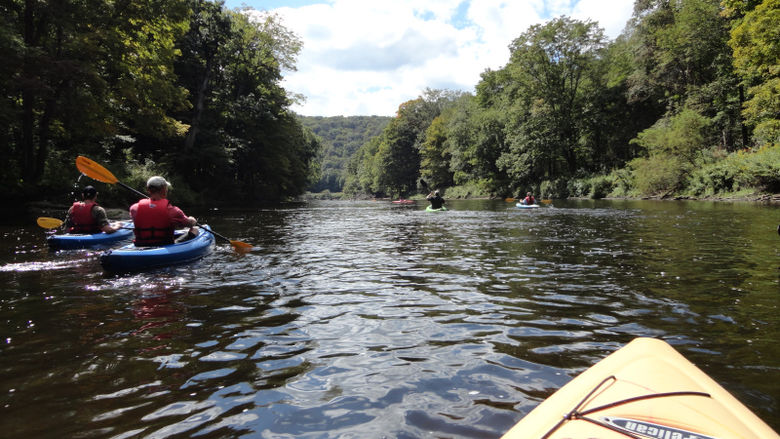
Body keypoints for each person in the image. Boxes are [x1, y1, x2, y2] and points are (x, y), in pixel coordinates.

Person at [130, 176, 198, 246]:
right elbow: (188, 224)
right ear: (164, 189)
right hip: (164, 245)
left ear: (148, 190)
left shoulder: (134, 208)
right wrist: (192, 221)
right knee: (194, 230)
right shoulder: (173, 211)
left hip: (140, 245)